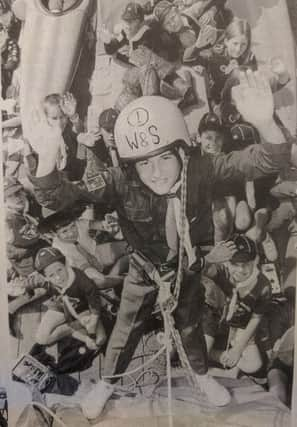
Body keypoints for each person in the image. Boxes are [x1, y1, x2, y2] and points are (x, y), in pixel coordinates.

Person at [27, 70, 291, 418]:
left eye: (165, 157)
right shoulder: (119, 180)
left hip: (188, 265)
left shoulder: (203, 168)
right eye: (144, 164)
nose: (155, 173)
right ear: (129, 166)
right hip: (144, 268)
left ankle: (200, 375)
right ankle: (107, 382)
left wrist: (266, 124)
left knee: (191, 324)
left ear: (185, 151)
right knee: (125, 329)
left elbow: (263, 161)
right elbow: (66, 197)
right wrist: (46, 161)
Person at [101, 2, 196, 109]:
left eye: (131, 21)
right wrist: (107, 42)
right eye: (125, 21)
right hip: (142, 69)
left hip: (157, 70)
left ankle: (183, 91)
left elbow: (166, 54)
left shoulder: (148, 34)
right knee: (128, 90)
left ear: (139, 21)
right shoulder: (126, 32)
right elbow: (114, 47)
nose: (127, 25)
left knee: (151, 69)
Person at [203, 234, 272, 377]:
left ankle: (219, 365)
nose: (241, 270)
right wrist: (211, 257)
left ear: (256, 260)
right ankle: (205, 353)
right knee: (201, 351)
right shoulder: (219, 271)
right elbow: (192, 270)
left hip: (239, 325)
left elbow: (256, 318)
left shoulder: (263, 285)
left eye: (246, 264)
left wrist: (238, 349)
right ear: (227, 262)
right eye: (235, 264)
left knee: (254, 364)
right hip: (214, 321)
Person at [33, 247, 106, 350]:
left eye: (60, 270)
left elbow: (94, 303)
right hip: (60, 307)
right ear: (45, 277)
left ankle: (76, 328)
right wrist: (27, 288)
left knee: (100, 340)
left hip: (83, 309)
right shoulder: (45, 281)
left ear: (65, 264)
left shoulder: (80, 279)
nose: (58, 277)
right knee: (41, 339)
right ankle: (73, 328)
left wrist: (92, 331)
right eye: (51, 275)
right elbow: (32, 282)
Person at [184, 17, 256, 108]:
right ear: (226, 41)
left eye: (243, 44)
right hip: (217, 99)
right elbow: (187, 59)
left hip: (240, 98)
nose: (238, 49)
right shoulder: (214, 55)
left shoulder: (249, 57)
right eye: (235, 43)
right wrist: (198, 45)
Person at [42, 92, 86, 181]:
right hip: (56, 177)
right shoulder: (45, 134)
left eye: (62, 117)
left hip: (75, 173)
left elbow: (80, 129)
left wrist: (73, 116)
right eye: (54, 118)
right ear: (46, 117)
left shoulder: (68, 129)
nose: (59, 122)